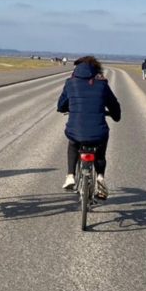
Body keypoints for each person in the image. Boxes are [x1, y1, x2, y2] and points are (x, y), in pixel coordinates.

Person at [58, 56, 121, 199]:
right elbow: (114, 105)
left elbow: (60, 105)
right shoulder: (102, 84)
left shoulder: (70, 83)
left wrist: (67, 108)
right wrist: (115, 116)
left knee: (73, 143)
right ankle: (100, 177)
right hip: (98, 132)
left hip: (76, 130)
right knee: (100, 151)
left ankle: (70, 175)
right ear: (96, 70)